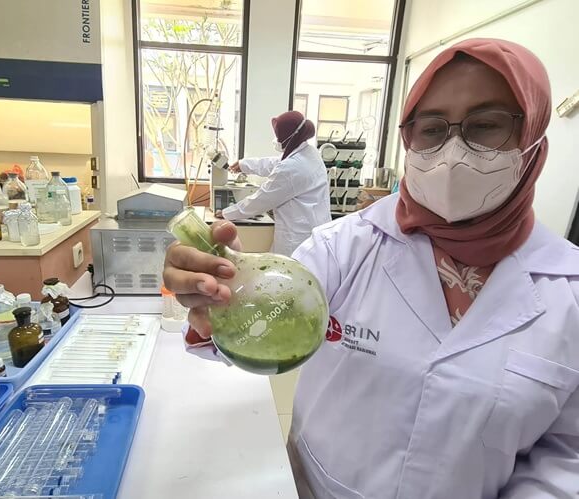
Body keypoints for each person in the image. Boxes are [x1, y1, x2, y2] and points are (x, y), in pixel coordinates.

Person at [163, 38, 579, 498]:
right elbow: (255, 331)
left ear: (533, 137)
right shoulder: (343, 247)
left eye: (485, 125)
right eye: (432, 128)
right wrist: (221, 295)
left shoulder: (571, 291)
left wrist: (229, 210)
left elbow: (569, 452)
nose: (454, 152)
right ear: (409, 138)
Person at [215, 111, 331, 256]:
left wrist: (227, 213)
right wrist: (244, 165)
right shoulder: (309, 153)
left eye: (278, 135)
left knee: (285, 268)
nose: (276, 139)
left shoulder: (292, 168)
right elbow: (276, 163)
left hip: (297, 240)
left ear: (289, 136)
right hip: (315, 233)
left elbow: (261, 200)